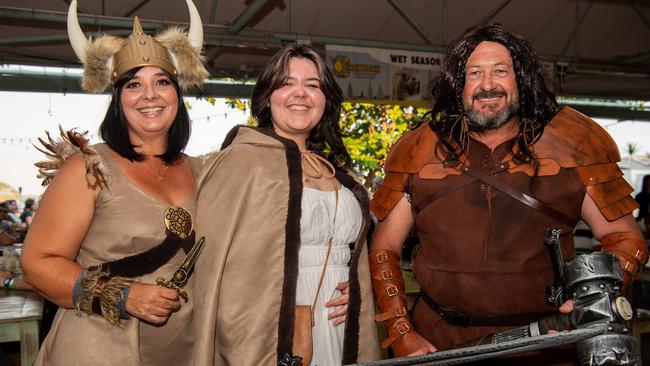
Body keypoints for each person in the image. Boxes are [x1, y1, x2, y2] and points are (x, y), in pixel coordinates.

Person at [369, 23, 648, 363]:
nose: (487, 85)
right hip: (439, 344)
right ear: (458, 85)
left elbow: (623, 236)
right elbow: (384, 248)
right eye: (474, 74)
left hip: (547, 344)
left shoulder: (575, 144)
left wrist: (592, 298)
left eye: (500, 71)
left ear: (522, 80)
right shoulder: (417, 150)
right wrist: (401, 331)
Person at [20, 1, 208, 364]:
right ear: (118, 98)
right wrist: (123, 295)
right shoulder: (88, 167)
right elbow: (38, 263)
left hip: (182, 348)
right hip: (98, 347)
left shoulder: (203, 171)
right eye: (134, 84)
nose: (150, 95)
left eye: (162, 82)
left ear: (177, 94)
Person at [193, 44, 380, 365]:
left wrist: (356, 289)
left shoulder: (339, 172)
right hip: (267, 327)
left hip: (338, 322)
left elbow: (354, 255)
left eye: (312, 85)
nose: (301, 94)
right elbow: (215, 266)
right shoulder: (240, 163)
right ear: (267, 97)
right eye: (287, 83)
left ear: (326, 100)